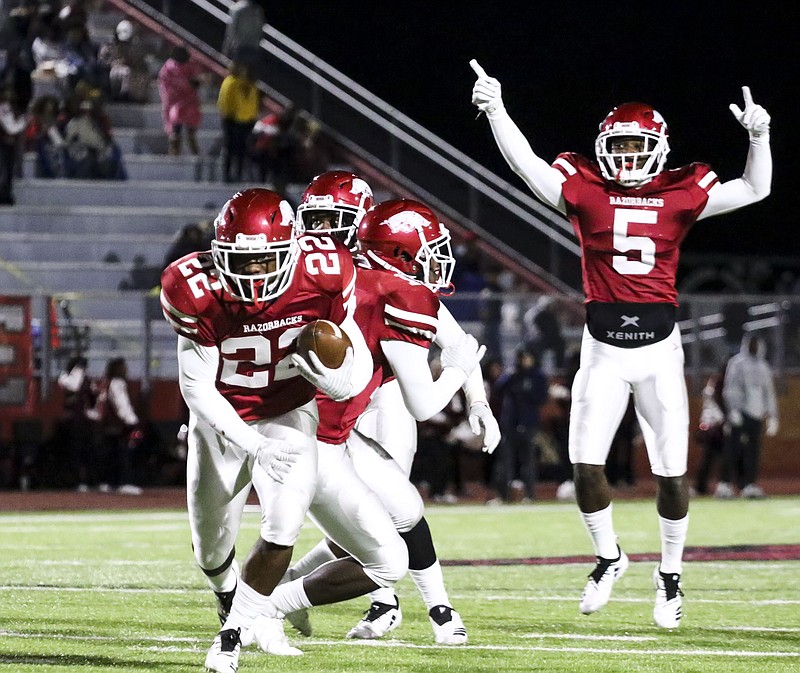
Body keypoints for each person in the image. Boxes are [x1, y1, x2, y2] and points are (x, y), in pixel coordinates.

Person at [471, 60, 771, 629]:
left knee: (672, 475)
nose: (630, 159)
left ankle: (671, 574)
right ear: (606, 148)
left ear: (657, 149)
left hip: (659, 351)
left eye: (639, 148)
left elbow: (757, 187)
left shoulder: (682, 192)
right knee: (585, 468)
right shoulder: (585, 190)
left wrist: (759, 136)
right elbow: (529, 166)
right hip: (602, 349)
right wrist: (497, 110)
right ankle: (609, 556)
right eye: (622, 147)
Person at [161, 188, 414, 671]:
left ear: (292, 249)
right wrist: (251, 444)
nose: (254, 273)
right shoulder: (192, 288)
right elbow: (198, 391)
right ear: (219, 254)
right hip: (222, 420)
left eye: (266, 260)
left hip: (289, 412)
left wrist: (341, 380)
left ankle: (232, 634)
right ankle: (227, 596)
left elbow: (354, 353)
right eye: (241, 261)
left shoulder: (324, 271)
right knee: (211, 547)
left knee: (283, 524)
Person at [281, 176, 495, 644]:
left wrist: (477, 400)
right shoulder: (307, 273)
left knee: (393, 507)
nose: (318, 232)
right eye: (312, 220)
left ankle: (423, 606)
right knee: (367, 515)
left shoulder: (392, 284)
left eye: (330, 221)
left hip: (386, 391)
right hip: (316, 416)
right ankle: (364, 599)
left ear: (362, 224)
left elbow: (454, 342)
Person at [718, 334, 779, 499]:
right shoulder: (737, 363)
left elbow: (769, 392)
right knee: (733, 450)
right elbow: (731, 388)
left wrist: (772, 416)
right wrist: (734, 410)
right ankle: (724, 484)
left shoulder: (763, 366)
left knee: (753, 451)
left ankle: (749, 484)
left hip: (756, 413)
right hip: (740, 412)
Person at [492, 347, 549, 503]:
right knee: (505, 462)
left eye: (526, 357)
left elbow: (541, 397)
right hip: (510, 424)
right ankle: (504, 496)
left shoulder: (537, 376)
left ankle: (529, 495)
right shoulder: (513, 375)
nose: (524, 361)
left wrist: (524, 392)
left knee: (528, 462)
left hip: (528, 424)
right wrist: (512, 377)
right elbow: (498, 388)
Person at [94, 357, 142, 495]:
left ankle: (108, 482)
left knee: (110, 454)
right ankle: (124, 482)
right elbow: (122, 405)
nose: (126, 369)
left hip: (106, 425)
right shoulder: (117, 383)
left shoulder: (106, 383)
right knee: (123, 454)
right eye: (124, 366)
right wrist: (133, 422)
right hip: (119, 425)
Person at [56, 355, 99, 491]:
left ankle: (85, 480)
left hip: (82, 421)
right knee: (77, 452)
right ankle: (78, 481)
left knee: (84, 452)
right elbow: (74, 391)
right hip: (74, 421)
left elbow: (92, 398)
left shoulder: (84, 380)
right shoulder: (67, 378)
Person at [217, 60, 259, 182]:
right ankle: (227, 175)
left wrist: (252, 116)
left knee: (242, 149)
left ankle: (239, 175)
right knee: (230, 148)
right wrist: (228, 115)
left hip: (246, 120)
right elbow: (225, 101)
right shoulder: (230, 82)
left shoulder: (249, 85)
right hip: (232, 120)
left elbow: (252, 102)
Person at [157, 45, 202, 156]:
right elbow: (164, 85)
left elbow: (196, 81)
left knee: (191, 126)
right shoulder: (168, 68)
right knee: (175, 124)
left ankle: (194, 149)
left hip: (189, 100)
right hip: (174, 100)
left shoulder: (191, 65)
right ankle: (174, 151)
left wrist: (191, 84)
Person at [693, 363, 727, 496]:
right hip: (714, 425)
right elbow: (714, 405)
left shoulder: (714, 382)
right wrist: (722, 420)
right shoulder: (717, 383)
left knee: (709, 458)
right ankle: (704, 486)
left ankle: (701, 486)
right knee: (712, 457)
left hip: (711, 423)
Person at [98, 19, 151, 103]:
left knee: (141, 75)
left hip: (131, 69)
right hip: (112, 71)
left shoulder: (133, 47)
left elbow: (139, 61)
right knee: (126, 72)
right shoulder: (108, 47)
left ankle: (138, 97)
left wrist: (131, 61)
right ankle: (122, 95)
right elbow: (102, 62)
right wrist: (114, 63)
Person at [221, 0, 265, 75]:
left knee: (234, 73)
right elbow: (259, 31)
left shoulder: (236, 9)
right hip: (252, 47)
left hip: (238, 46)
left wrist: (226, 47)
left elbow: (231, 30)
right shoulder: (258, 11)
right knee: (247, 74)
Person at [0, 85, 26, 205]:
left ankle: (6, 193)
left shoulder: (14, 109)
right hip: (3, 144)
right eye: (7, 92)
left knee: (9, 170)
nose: (9, 95)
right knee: (3, 170)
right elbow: (11, 128)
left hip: (11, 146)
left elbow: (16, 127)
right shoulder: (3, 108)